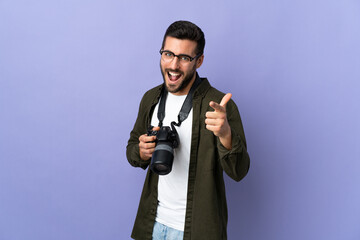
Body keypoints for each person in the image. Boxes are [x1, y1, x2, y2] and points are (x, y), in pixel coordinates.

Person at [126, 20, 250, 240]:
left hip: (198, 230)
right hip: (152, 224)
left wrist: (226, 135)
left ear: (199, 61)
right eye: (168, 54)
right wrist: (141, 151)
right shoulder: (150, 98)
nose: (173, 65)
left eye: (184, 58)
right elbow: (132, 150)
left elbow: (239, 171)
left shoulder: (218, 105)